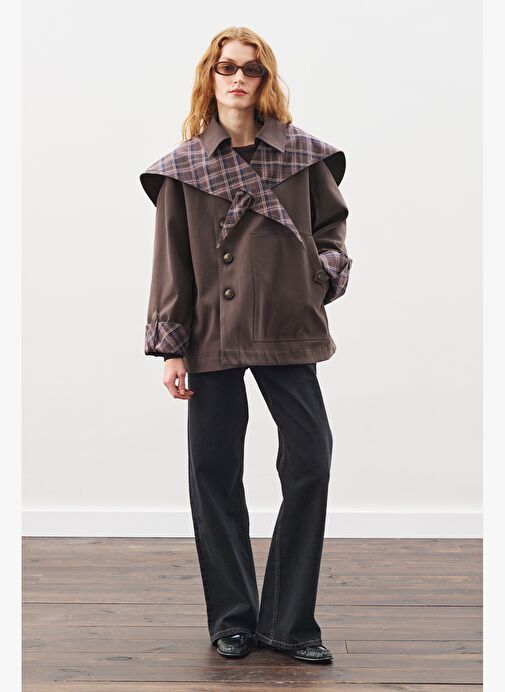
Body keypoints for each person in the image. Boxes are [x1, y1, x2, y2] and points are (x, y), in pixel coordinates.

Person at [140, 26, 353, 664]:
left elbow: (332, 225)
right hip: (212, 330)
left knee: (311, 462)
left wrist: (320, 275)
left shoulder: (302, 155)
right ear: (210, 77)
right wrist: (172, 346)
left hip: (287, 326)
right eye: (227, 67)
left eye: (251, 69)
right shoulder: (183, 167)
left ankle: (289, 623)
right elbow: (172, 261)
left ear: (266, 80)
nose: (238, 78)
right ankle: (233, 619)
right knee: (214, 474)